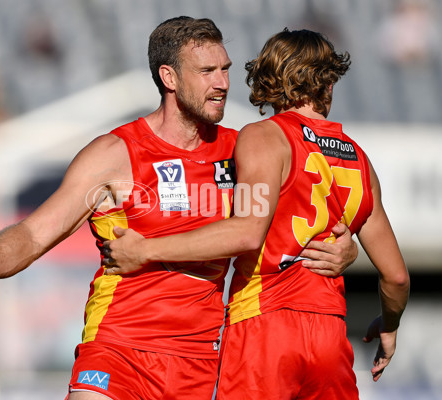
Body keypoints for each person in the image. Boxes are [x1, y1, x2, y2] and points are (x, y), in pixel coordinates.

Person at [0, 19, 357, 400]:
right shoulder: (115, 154)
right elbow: (35, 232)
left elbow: (308, 214)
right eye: (207, 72)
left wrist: (346, 248)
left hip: (206, 362)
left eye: (225, 69)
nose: (223, 83)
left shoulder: (244, 149)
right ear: (169, 77)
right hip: (119, 348)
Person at [104, 28, 410, 399]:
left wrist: (146, 250)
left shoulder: (264, 137)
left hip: (264, 325)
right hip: (330, 334)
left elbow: (247, 231)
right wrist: (389, 325)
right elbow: (395, 277)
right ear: (328, 83)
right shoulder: (360, 160)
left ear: (269, 80)